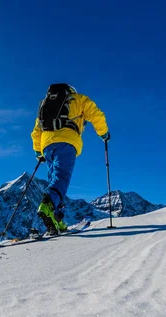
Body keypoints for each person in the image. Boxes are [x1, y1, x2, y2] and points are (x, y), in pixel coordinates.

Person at [31, 83, 110, 235]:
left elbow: (36, 131)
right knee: (62, 177)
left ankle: (57, 218)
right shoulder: (78, 99)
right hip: (66, 141)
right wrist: (104, 133)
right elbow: (96, 114)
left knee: (55, 179)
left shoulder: (44, 105)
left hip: (47, 146)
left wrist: (38, 152)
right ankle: (48, 205)